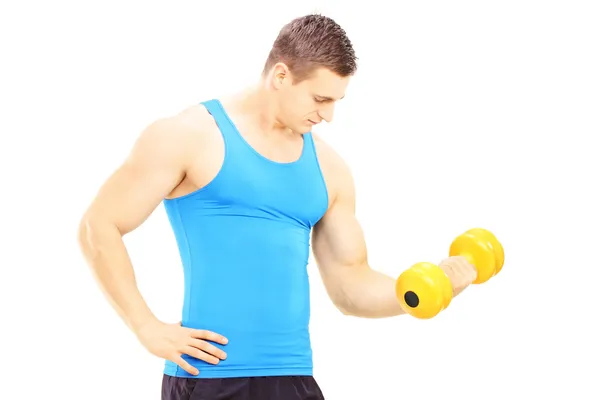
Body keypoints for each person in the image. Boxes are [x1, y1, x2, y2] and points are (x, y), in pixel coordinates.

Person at [77, 13, 477, 400]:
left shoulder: (330, 168)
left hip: (294, 379)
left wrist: (428, 290)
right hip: (211, 377)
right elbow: (99, 225)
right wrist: (145, 326)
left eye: (337, 101)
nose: (329, 115)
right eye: (321, 98)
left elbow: (349, 285)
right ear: (281, 76)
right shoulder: (189, 136)